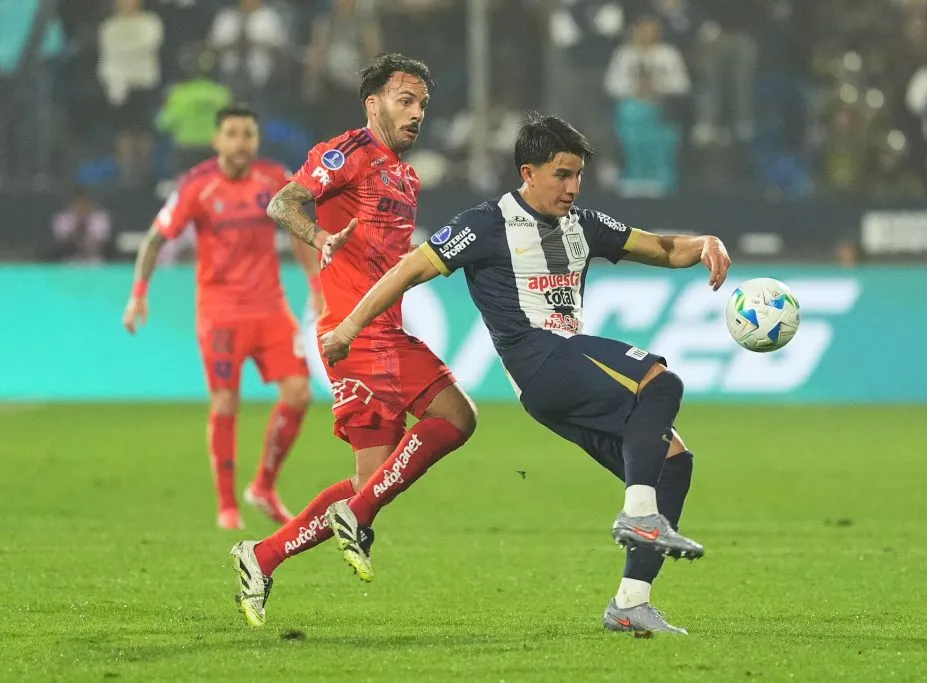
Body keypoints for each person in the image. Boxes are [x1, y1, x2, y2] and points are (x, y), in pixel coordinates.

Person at [318, 114, 732, 636]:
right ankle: (638, 516)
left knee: (673, 463)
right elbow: (409, 270)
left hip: (565, 373)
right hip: (539, 359)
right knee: (661, 381)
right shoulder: (486, 224)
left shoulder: (585, 225)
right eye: (562, 175)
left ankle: (631, 603)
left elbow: (661, 248)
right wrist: (350, 327)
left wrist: (705, 244)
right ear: (527, 172)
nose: (573, 187)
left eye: (579, 175)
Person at [229, 53, 477, 628]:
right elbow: (282, 202)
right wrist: (320, 236)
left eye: (422, 105)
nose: (416, 114)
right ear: (373, 103)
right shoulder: (348, 153)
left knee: (386, 472)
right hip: (354, 335)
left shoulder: (407, 174)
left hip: (388, 334)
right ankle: (343, 522)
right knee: (447, 426)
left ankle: (262, 555)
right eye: (404, 100)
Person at [123, 104, 322, 530]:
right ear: (217, 141)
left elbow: (300, 230)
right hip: (220, 314)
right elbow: (156, 239)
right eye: (231, 134)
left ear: (256, 140)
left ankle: (263, 487)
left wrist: (317, 286)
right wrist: (138, 294)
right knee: (226, 401)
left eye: (247, 134)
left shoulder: (274, 179)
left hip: (271, 308)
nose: (240, 143)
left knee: (299, 394)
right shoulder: (197, 186)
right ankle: (227, 506)